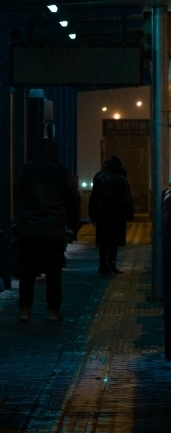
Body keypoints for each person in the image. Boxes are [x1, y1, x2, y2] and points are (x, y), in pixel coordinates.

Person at [15, 138, 80, 322]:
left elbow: (17, 191)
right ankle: (52, 310)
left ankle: (25, 309)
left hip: (31, 230)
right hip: (54, 230)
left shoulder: (27, 170)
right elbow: (73, 198)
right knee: (53, 273)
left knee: (27, 273)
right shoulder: (62, 172)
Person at [89, 155, 135, 276]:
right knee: (114, 241)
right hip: (117, 215)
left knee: (103, 241)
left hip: (102, 215)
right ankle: (112, 263)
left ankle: (103, 264)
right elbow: (127, 199)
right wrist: (129, 213)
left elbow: (94, 197)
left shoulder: (99, 178)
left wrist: (93, 214)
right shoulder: (122, 180)